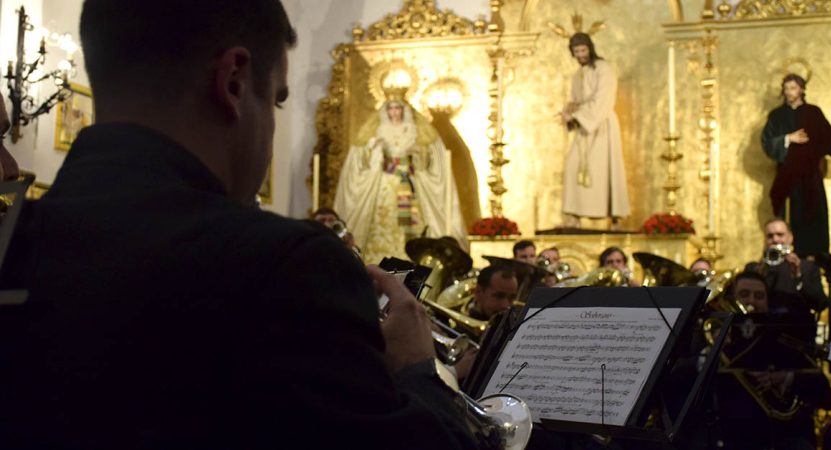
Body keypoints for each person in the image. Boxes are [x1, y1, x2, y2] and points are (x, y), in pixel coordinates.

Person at [0, 2, 475, 449]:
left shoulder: (12, 244)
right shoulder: (288, 268)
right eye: (277, 100)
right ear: (233, 82)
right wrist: (417, 370)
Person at [334, 93, 465, 264]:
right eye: (391, 108)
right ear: (386, 111)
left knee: (414, 221)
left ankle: (412, 258)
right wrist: (376, 150)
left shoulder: (416, 130)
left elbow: (426, 160)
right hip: (386, 183)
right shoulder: (377, 130)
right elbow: (365, 157)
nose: (394, 112)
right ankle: (377, 260)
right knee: (383, 220)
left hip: (409, 183)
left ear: (404, 110)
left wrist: (418, 153)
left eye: (397, 108)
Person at [711, 271, 827, 450]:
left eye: (759, 296)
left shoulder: (785, 335)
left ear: (767, 302)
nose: (751, 302)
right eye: (743, 295)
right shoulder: (715, 338)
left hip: (786, 434)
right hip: (734, 435)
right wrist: (716, 352)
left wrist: (786, 378)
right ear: (731, 300)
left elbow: (821, 388)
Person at [761, 73, 831, 258]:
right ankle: (784, 254)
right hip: (787, 176)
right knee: (788, 212)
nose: (788, 92)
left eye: (792, 88)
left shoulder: (813, 113)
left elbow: (827, 139)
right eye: (785, 89)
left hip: (810, 177)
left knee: (813, 215)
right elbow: (767, 142)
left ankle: (814, 256)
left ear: (801, 89)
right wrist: (787, 138)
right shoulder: (777, 116)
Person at [560, 32, 629, 229]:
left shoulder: (603, 69)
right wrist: (568, 113)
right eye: (576, 52)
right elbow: (576, 100)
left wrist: (578, 117)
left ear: (590, 48)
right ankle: (574, 215)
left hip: (601, 125)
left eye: (583, 50)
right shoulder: (577, 75)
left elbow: (603, 100)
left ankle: (615, 217)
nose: (581, 55)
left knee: (605, 170)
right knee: (573, 165)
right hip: (583, 128)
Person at [746, 218, 828, 314]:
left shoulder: (808, 267)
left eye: (780, 235)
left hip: (796, 326)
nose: (775, 240)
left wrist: (798, 276)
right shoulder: (753, 268)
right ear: (765, 240)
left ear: (790, 238)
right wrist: (761, 270)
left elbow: (820, 304)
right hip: (763, 325)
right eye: (770, 236)